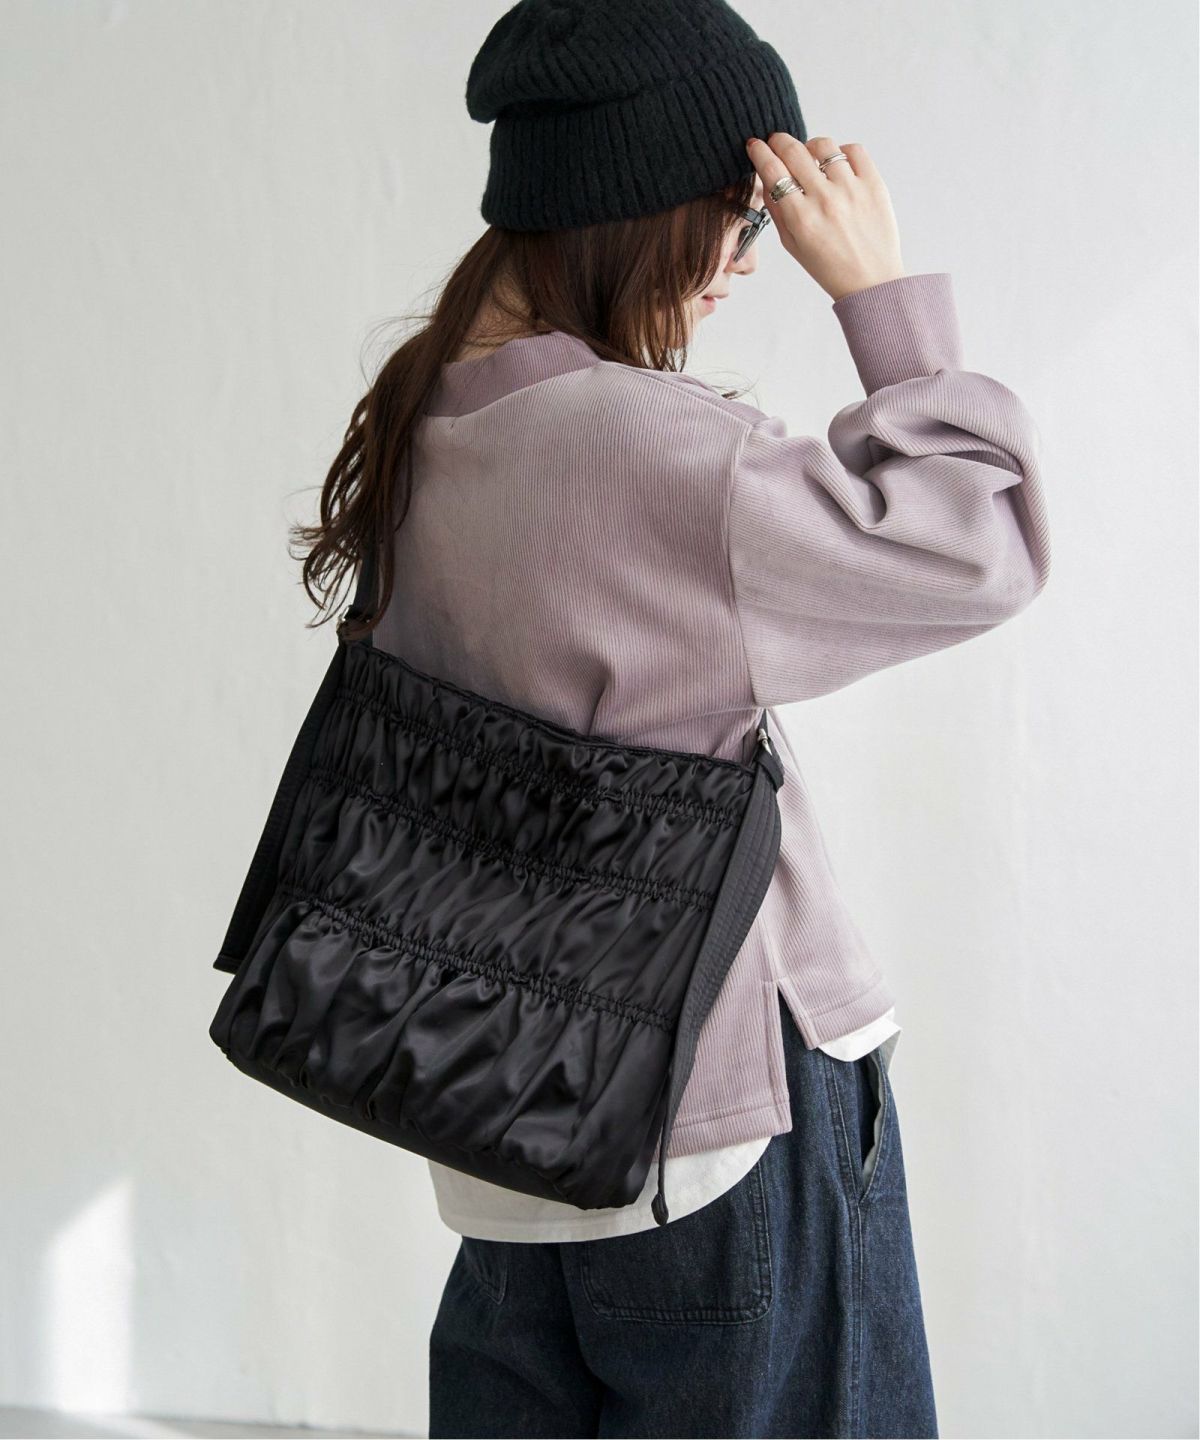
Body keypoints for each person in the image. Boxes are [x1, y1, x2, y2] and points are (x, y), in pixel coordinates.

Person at [291, 2, 1051, 1434]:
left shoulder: (420, 423)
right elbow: (979, 546)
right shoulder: (652, 448)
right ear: (642, 210)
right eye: (740, 219)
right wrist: (880, 293)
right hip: (721, 1120)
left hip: (508, 1138)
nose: (745, 262)